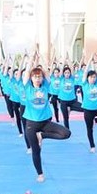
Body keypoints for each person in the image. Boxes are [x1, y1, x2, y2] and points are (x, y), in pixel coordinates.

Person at [21, 49, 71, 182]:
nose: (38, 78)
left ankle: (42, 135)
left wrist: (41, 56)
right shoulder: (28, 87)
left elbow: (47, 71)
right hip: (31, 124)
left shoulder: (46, 87)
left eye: (39, 76)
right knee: (36, 151)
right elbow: (26, 71)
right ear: (31, 78)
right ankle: (40, 174)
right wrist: (32, 58)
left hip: (45, 123)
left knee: (66, 134)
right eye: (35, 76)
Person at [80, 54, 97, 153]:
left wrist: (96, 63)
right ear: (88, 78)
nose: (93, 79)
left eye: (94, 77)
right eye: (91, 77)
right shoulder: (85, 85)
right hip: (88, 110)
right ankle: (92, 145)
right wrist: (90, 59)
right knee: (89, 128)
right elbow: (85, 72)